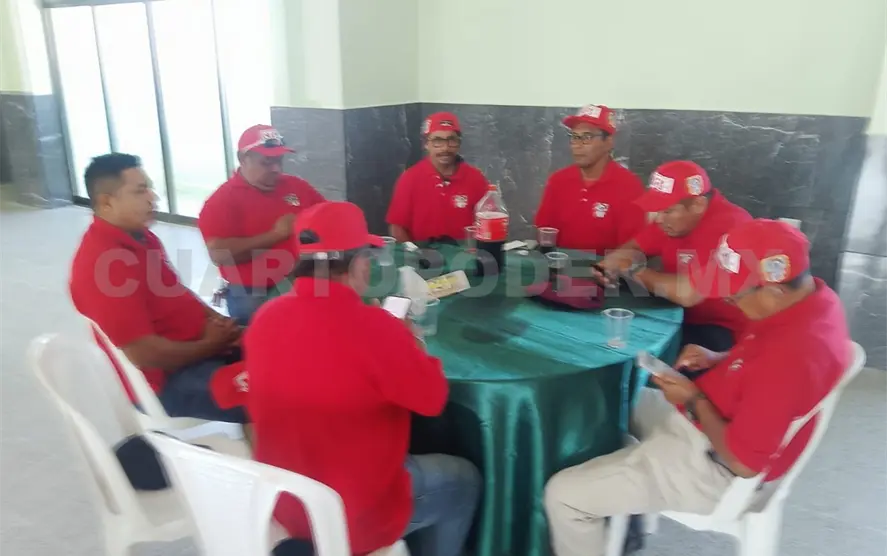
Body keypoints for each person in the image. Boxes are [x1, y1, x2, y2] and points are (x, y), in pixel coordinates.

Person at [544, 219, 851, 556]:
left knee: (564, 497)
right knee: (607, 397)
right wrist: (721, 358)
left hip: (715, 464)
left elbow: (743, 463)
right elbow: (765, 365)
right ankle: (611, 485)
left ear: (775, 291)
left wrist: (693, 400)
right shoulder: (815, 300)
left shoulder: (792, 357)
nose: (728, 299)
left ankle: (588, 500)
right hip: (713, 416)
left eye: (734, 294)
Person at [245, 201, 481, 556]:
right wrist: (412, 340)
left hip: (282, 501)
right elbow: (433, 400)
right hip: (349, 519)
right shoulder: (378, 328)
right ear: (358, 263)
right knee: (462, 480)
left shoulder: (265, 317)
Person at [69, 153, 246, 423]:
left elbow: (176, 292)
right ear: (106, 202)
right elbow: (146, 355)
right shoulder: (103, 266)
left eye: (150, 188)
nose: (153, 198)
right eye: (140, 191)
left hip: (200, 349)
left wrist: (221, 323)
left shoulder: (142, 238)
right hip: (167, 382)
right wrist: (211, 345)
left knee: (286, 351)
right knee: (279, 393)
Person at [595, 160, 752, 352]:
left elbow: (688, 294)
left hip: (720, 330)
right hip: (674, 313)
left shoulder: (734, 228)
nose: (659, 219)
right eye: (657, 210)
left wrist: (631, 269)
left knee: (631, 351)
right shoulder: (673, 222)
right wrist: (609, 267)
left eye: (667, 210)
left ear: (698, 205)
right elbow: (632, 249)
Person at [198, 124, 326, 324]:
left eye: (279, 161)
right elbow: (219, 254)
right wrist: (275, 235)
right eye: (267, 162)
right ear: (243, 159)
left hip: (302, 277)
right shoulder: (222, 201)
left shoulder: (296, 186)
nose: (276, 169)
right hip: (253, 291)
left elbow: (327, 215)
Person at [534, 104, 646, 252]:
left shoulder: (629, 186)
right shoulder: (558, 181)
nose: (577, 145)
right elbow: (544, 232)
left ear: (608, 142)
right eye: (575, 137)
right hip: (560, 263)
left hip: (606, 265)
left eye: (587, 137)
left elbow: (631, 249)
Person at [386, 112, 490, 243]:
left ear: (459, 143)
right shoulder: (409, 178)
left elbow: (489, 224)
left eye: (451, 140)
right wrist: (413, 253)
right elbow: (397, 227)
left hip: (467, 253)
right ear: (425, 144)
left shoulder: (476, 179)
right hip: (422, 253)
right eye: (437, 141)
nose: (445, 148)